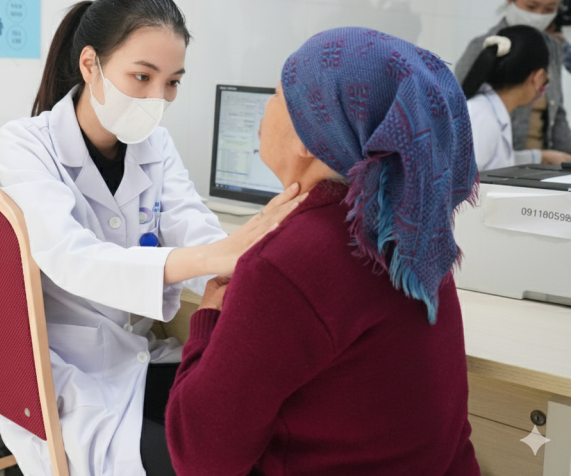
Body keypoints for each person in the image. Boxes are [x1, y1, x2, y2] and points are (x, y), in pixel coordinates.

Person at [0, 0, 304, 476]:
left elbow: (193, 226)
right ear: (90, 65)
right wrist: (213, 258)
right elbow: (73, 259)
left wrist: (255, 258)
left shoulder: (156, 145)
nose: (158, 98)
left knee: (265, 431)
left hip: (136, 360)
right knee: (211, 457)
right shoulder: (24, 145)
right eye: (142, 76)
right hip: (68, 377)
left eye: (172, 82)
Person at [166, 28, 481, 475]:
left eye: (278, 95)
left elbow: (201, 457)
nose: (265, 109)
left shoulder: (289, 263)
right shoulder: (412, 231)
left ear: (308, 135)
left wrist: (209, 316)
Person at [455, 0, 571, 155]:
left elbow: (556, 110)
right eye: (531, 6)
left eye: (549, 8)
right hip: (498, 160)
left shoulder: (553, 47)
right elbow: (459, 105)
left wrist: (565, 157)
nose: (539, 16)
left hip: (541, 161)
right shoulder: (485, 46)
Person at [461, 25, 571, 170]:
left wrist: (541, 156)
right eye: (546, 79)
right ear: (537, 77)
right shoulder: (482, 117)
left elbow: (497, 161)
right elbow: (459, 180)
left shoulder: (492, 112)